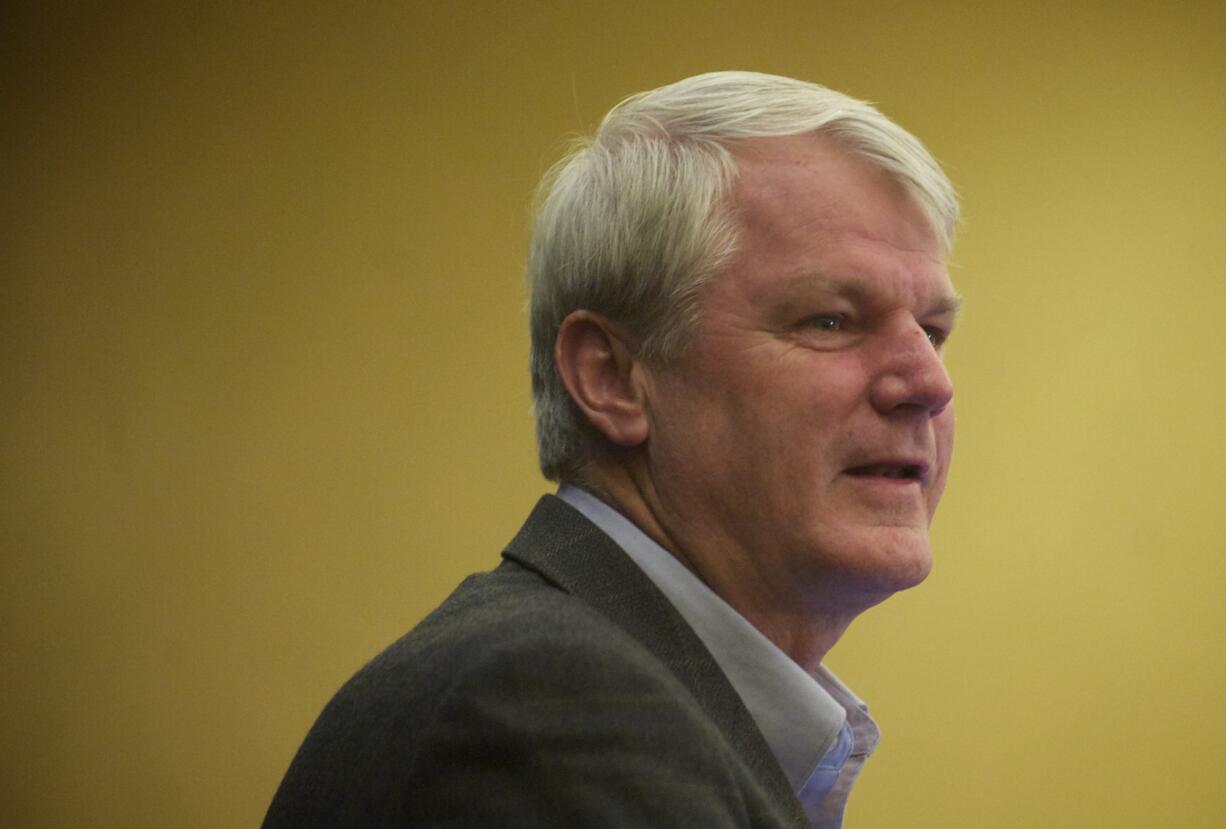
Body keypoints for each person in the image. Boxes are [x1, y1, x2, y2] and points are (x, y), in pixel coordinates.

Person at [263, 70, 961, 829]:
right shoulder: (552, 708)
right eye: (830, 320)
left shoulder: (618, 687)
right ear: (614, 378)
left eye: (933, 330)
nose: (928, 381)